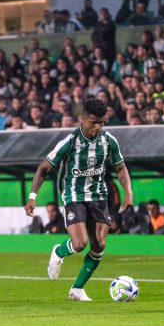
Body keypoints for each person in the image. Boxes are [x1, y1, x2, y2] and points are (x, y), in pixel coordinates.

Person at [24, 99, 133, 301]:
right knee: (80, 243)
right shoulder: (70, 141)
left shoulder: (109, 140)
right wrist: (32, 196)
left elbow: (120, 167)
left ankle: (77, 290)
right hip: (74, 195)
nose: (97, 127)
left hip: (99, 195)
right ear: (83, 119)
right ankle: (59, 251)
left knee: (99, 244)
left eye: (101, 122)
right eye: (93, 122)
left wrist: (128, 192)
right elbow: (43, 168)